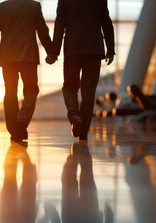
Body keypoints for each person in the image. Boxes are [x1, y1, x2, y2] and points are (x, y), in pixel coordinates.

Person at [0, 0, 52, 142]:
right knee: (31, 90)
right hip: (28, 57)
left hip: (8, 58)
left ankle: (14, 129)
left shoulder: (0, 8)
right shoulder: (34, 6)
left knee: (10, 92)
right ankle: (21, 123)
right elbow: (42, 31)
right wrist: (51, 52)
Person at [46, 0, 115, 141]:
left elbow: (60, 23)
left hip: (73, 48)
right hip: (94, 49)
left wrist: (54, 52)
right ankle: (83, 131)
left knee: (70, 87)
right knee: (88, 91)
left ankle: (74, 115)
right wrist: (111, 49)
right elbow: (106, 22)